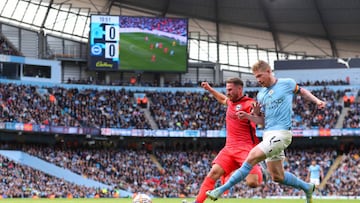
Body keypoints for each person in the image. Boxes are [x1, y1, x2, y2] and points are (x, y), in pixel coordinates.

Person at [206, 60, 326, 203]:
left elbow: (302, 91)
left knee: (250, 158)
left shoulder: (286, 83)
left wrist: (317, 101)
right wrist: (250, 116)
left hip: (281, 134)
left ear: (268, 72)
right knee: (277, 176)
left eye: (260, 76)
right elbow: (262, 121)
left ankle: (219, 190)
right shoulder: (261, 94)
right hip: (268, 134)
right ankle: (307, 187)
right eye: (256, 77)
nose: (258, 80)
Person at [194, 78, 265, 203]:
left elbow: (261, 122)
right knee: (212, 174)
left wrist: (256, 115)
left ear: (239, 89)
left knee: (253, 183)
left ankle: (257, 167)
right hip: (229, 149)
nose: (228, 92)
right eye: (227, 90)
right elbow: (222, 99)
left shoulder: (250, 104)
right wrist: (210, 89)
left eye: (230, 90)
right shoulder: (231, 102)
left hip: (246, 150)